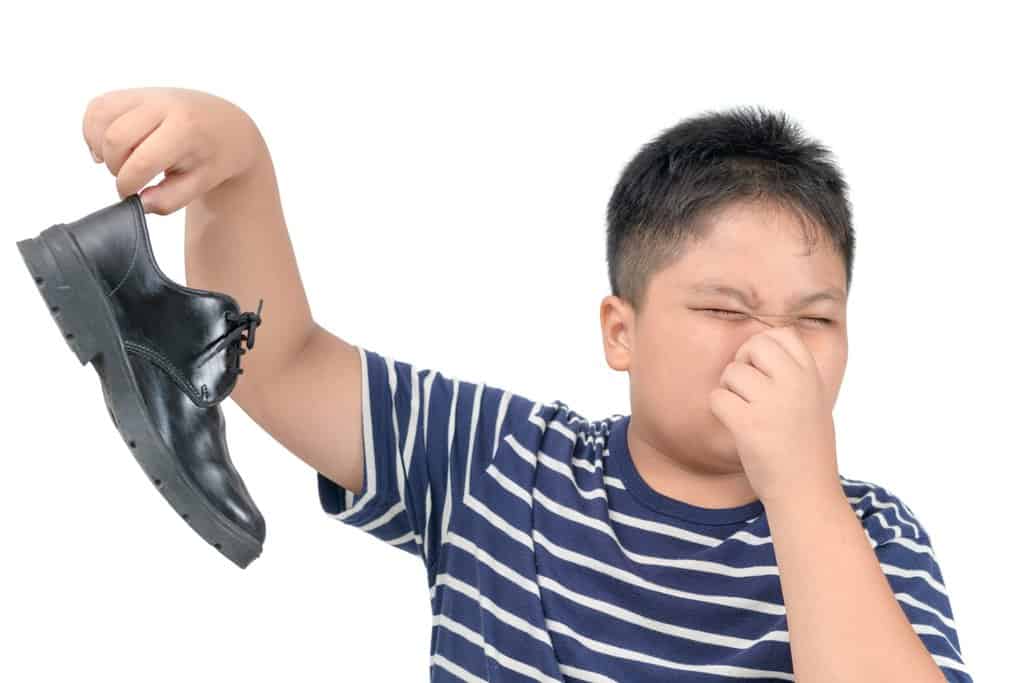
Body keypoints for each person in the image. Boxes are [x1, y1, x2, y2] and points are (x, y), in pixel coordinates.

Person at [83, 90, 971, 681]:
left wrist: (804, 492)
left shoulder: (873, 538)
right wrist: (238, 170)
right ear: (621, 333)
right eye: (726, 309)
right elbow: (278, 364)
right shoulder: (502, 459)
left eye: (815, 320)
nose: (773, 352)